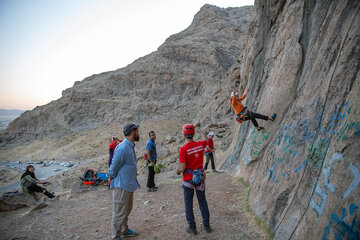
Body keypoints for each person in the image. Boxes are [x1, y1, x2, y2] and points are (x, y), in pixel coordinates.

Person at [176, 124, 211, 235]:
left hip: (188, 180)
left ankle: (192, 228)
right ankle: (207, 226)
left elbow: (182, 168)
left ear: (183, 134)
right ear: (193, 134)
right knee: (202, 201)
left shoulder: (183, 149)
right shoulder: (200, 145)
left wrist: (177, 171)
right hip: (199, 177)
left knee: (189, 203)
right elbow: (206, 139)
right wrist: (201, 131)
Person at [107, 123, 140, 240]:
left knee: (126, 209)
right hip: (121, 185)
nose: (138, 133)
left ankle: (124, 230)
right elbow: (114, 164)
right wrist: (110, 177)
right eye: (137, 131)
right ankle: (115, 237)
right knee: (119, 212)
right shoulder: (122, 147)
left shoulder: (129, 145)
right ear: (133, 132)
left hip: (128, 184)